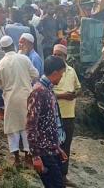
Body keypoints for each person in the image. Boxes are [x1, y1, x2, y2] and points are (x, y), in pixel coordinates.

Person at [0, 35, 39, 167]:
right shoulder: (24, 59)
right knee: (26, 127)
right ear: (13, 45)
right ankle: (27, 156)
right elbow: (35, 74)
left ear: (2, 48)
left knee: (12, 128)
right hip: (26, 97)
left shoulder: (0, 64)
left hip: (10, 98)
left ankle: (16, 159)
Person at [27, 56, 68, 188]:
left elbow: (51, 124)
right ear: (55, 73)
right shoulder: (38, 92)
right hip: (43, 152)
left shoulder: (48, 91)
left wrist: (57, 148)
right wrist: (35, 156)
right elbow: (31, 125)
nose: (61, 78)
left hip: (51, 150)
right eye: (61, 74)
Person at [53, 44, 81, 187]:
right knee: (54, 145)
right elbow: (46, 91)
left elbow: (78, 88)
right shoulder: (51, 71)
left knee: (66, 146)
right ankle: (54, 175)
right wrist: (63, 95)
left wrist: (74, 94)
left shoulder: (71, 71)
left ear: (65, 57)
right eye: (55, 54)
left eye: (59, 55)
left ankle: (63, 176)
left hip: (69, 114)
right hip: (54, 114)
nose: (57, 57)